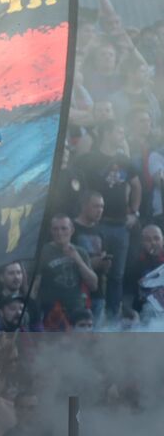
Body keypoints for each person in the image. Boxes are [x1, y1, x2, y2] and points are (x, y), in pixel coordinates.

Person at [73, 123, 141, 318]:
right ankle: (88, 318)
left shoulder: (124, 160)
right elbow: (76, 180)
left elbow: (136, 186)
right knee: (92, 270)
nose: (122, 134)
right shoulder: (89, 159)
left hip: (121, 225)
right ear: (107, 132)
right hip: (96, 225)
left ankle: (112, 320)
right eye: (119, 130)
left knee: (117, 275)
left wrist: (134, 213)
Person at [35, 215, 99, 330]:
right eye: (55, 229)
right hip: (52, 311)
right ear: (51, 231)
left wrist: (78, 260)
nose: (59, 233)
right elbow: (35, 284)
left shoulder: (80, 252)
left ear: (72, 230)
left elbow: (93, 285)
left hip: (77, 310)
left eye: (64, 228)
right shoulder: (43, 252)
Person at [128, 224, 164, 312]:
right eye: (148, 240)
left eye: (156, 238)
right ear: (142, 242)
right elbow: (129, 293)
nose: (153, 243)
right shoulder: (136, 263)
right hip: (144, 311)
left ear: (162, 240)